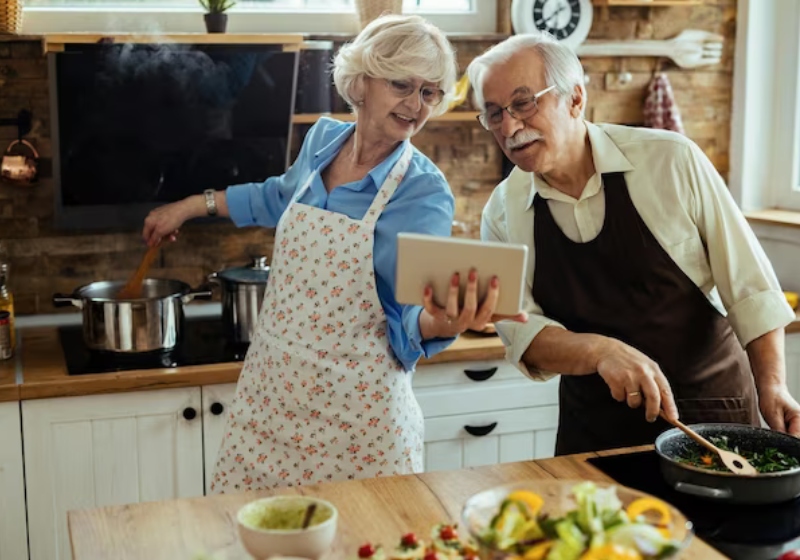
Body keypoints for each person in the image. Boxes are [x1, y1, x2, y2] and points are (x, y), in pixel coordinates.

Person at [143, 15, 524, 491]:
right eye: (401, 84)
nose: (415, 105)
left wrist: (449, 319)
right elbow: (278, 195)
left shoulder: (422, 192)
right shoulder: (323, 139)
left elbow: (408, 318)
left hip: (357, 430)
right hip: (270, 406)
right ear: (361, 81)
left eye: (429, 92)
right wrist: (191, 206)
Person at [466, 32, 800, 455]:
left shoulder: (671, 161)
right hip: (593, 438)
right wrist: (600, 351)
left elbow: (752, 290)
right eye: (494, 114)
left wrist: (773, 385)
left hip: (711, 422)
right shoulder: (502, 212)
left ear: (575, 99)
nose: (509, 127)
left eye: (523, 103)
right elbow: (523, 334)